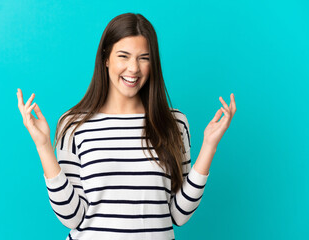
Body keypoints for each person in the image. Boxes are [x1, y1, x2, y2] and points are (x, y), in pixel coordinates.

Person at [17, 12, 236, 240]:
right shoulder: (74, 124)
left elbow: (179, 214)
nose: (134, 68)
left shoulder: (174, 124)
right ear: (106, 58)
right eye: (124, 56)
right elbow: (72, 217)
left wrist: (210, 146)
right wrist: (43, 146)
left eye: (144, 58)